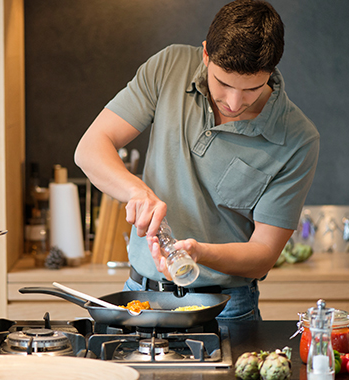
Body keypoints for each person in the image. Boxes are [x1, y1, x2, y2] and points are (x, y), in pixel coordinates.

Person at [75, 0, 319, 320]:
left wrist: (199, 253)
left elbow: (263, 254)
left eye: (251, 89)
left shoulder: (298, 138)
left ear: (271, 73)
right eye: (223, 83)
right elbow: (90, 148)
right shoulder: (170, 67)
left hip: (226, 309)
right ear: (206, 54)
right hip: (141, 296)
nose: (234, 102)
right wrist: (137, 191)